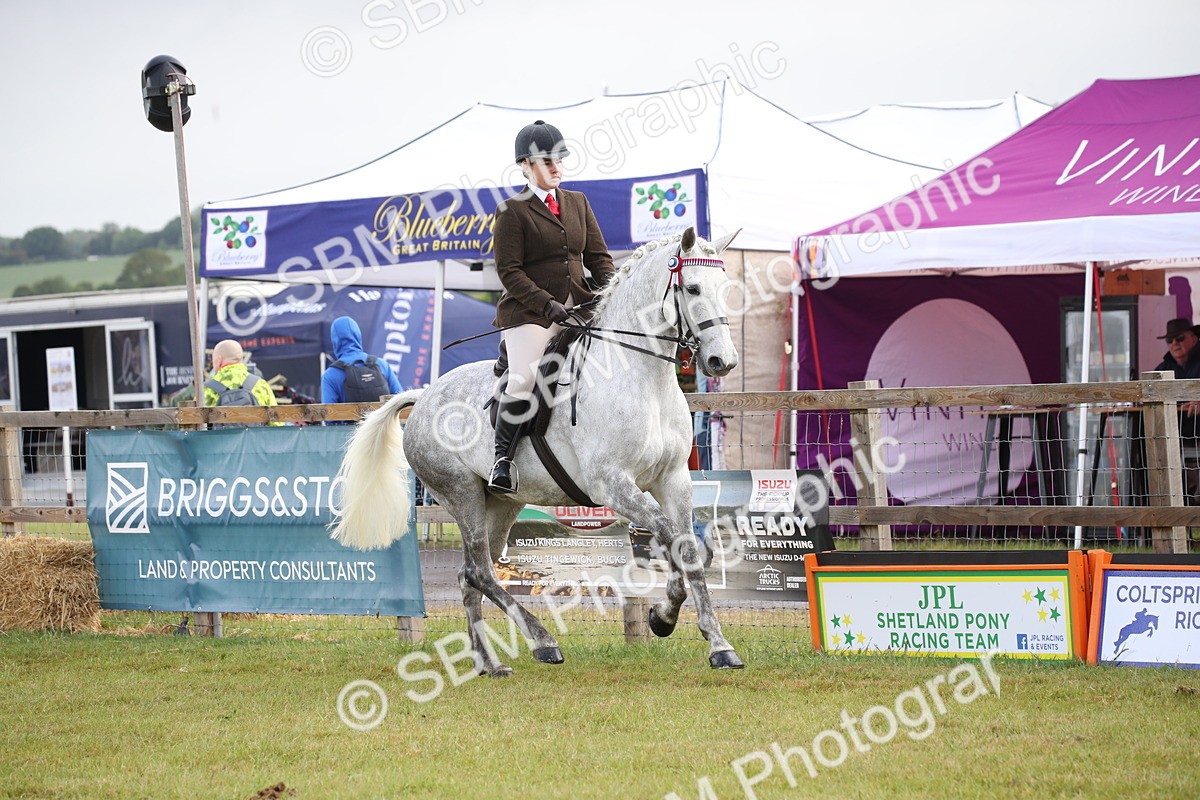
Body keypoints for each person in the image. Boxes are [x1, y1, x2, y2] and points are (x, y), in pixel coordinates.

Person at [488, 120, 615, 493]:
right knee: (524, 378)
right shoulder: (512, 211)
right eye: (547, 161)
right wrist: (547, 304)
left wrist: (612, 292)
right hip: (531, 312)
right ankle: (502, 460)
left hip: (579, 306)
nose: (556, 167)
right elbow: (509, 272)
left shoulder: (578, 202)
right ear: (526, 166)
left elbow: (599, 258)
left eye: (559, 159)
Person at [1152, 317, 1200, 501]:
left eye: (1179, 338)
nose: (1174, 344)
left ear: (1194, 339)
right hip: (1176, 436)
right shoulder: (1164, 367)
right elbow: (1147, 389)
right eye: (1169, 340)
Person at [321, 316, 403, 405]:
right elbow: (402, 401)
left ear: (335, 340)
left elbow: (328, 412)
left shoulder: (330, 375)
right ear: (358, 335)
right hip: (384, 414)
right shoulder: (381, 364)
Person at [203, 339, 279, 422]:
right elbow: (276, 422)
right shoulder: (260, 384)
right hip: (255, 431)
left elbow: (197, 420)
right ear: (241, 358)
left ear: (219, 360)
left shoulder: (208, 388)